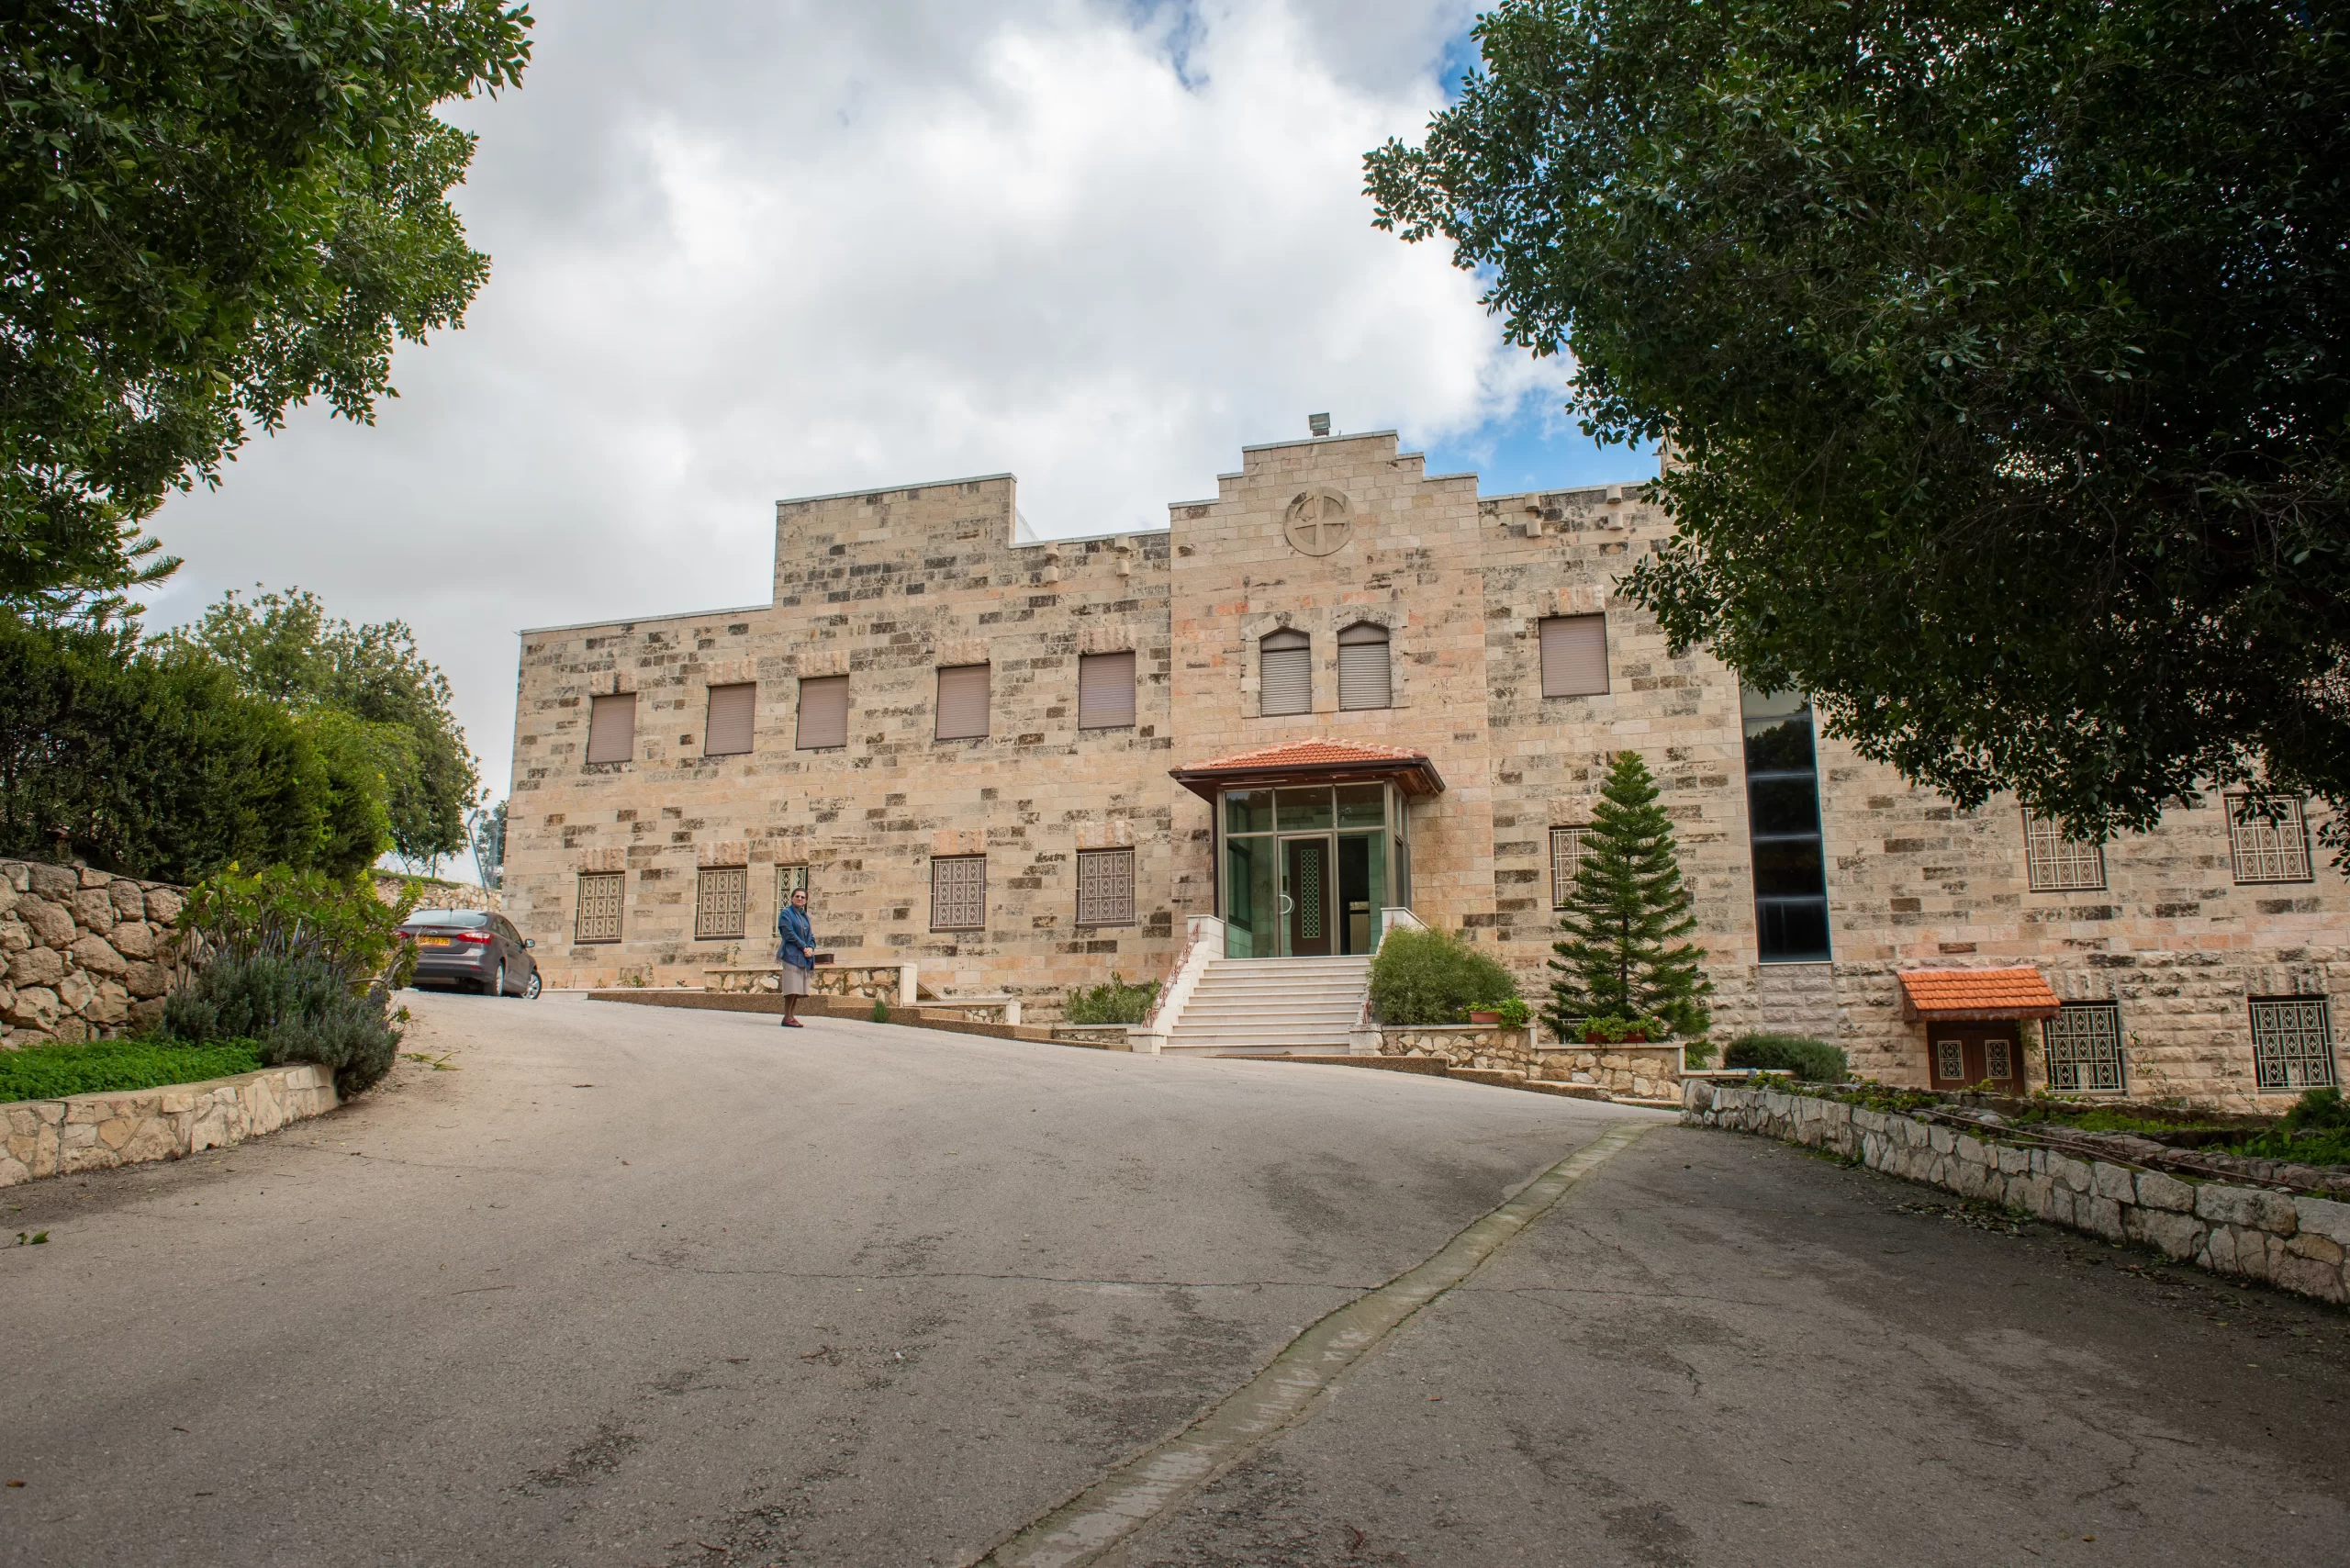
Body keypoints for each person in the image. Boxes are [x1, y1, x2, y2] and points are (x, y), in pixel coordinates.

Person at [775, 886, 816, 1027]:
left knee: (798, 989)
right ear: (792, 898)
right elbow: (788, 933)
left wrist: (811, 947)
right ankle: (787, 1017)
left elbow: (811, 935)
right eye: (797, 896)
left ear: (805, 901)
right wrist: (804, 946)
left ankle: (792, 1016)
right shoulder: (786, 913)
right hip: (791, 955)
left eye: (802, 897)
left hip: (803, 957)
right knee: (791, 987)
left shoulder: (805, 916)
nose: (800, 899)